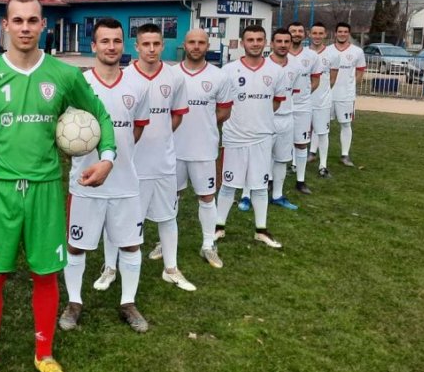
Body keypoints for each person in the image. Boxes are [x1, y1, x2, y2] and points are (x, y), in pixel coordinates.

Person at [0, 0, 116, 372]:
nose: (25, 28)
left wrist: (107, 158)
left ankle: (44, 353)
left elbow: (99, 114)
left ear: (43, 25)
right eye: (18, 20)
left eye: (33, 20)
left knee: (46, 274)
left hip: (46, 187)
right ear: (5, 25)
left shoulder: (65, 75)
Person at [58, 18, 150, 334]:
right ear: (94, 45)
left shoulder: (138, 86)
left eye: (117, 41)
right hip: (84, 184)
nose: (111, 47)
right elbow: (63, 131)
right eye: (105, 41)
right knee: (76, 246)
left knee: (131, 245)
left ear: (123, 45)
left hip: (126, 183)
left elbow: (137, 130)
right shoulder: (78, 85)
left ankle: (128, 303)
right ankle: (74, 302)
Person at [97, 23, 194, 292]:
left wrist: (160, 138)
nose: (151, 49)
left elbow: (176, 116)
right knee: (118, 218)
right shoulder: (125, 78)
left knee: (168, 216)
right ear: (136, 46)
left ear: (163, 45)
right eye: (146, 44)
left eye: (156, 44)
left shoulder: (175, 78)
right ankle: (110, 267)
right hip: (129, 165)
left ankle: (171, 268)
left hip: (163, 162)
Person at [215, 25, 289, 249]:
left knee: (259, 186)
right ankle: (218, 227)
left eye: (259, 39)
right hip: (234, 137)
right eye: (250, 39)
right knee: (228, 184)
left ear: (265, 42)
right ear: (242, 43)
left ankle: (261, 230)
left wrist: (259, 120)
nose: (255, 43)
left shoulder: (276, 71)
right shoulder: (228, 70)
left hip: (262, 137)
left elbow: (276, 103)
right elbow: (222, 103)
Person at [173, 28, 233, 269]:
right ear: (184, 45)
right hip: (173, 149)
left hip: (204, 148)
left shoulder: (219, 76)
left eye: (201, 42)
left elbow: (224, 111)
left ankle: (208, 244)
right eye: (192, 42)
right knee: (171, 197)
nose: (196, 46)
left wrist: (204, 124)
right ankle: (165, 242)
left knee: (207, 197)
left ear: (208, 46)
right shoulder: (171, 75)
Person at [250, 28, 300, 211]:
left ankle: (277, 195)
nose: (283, 45)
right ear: (271, 43)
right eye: (279, 41)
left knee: (281, 159)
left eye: (286, 42)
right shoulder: (262, 66)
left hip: (286, 119)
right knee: (257, 159)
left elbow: (293, 92)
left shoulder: (295, 66)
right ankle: (248, 195)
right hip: (265, 120)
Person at [287, 22, 323, 193]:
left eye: (300, 31)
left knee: (301, 144)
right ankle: (270, 179)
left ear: (304, 34)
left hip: (303, 106)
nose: (296, 33)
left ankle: (300, 181)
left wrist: (305, 94)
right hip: (281, 106)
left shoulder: (312, 56)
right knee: (273, 143)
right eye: (293, 31)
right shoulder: (277, 54)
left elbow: (315, 80)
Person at [330, 22, 365, 167]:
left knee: (345, 124)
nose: (342, 34)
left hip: (346, 96)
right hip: (327, 95)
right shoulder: (328, 50)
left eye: (345, 32)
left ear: (348, 34)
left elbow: (360, 72)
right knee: (320, 124)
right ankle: (312, 153)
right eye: (340, 31)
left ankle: (345, 155)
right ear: (335, 33)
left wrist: (351, 86)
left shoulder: (357, 51)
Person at [307, 23, 339, 177]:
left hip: (322, 102)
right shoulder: (304, 54)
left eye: (320, 33)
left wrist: (323, 93)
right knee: (298, 133)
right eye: (314, 33)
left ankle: (323, 165)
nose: (317, 36)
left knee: (323, 133)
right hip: (303, 101)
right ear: (309, 34)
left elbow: (332, 80)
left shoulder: (333, 55)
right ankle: (294, 164)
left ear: (325, 34)